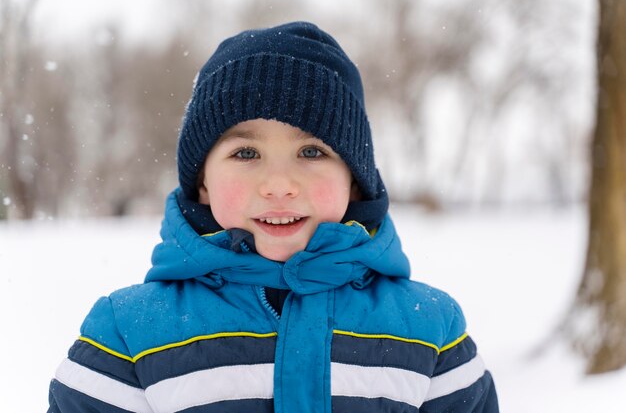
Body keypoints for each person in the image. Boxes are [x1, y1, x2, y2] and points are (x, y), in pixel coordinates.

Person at [47, 21, 499, 413]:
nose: (279, 183)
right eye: (247, 152)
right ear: (202, 181)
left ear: (355, 182)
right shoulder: (129, 334)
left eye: (311, 151)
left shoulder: (427, 331)